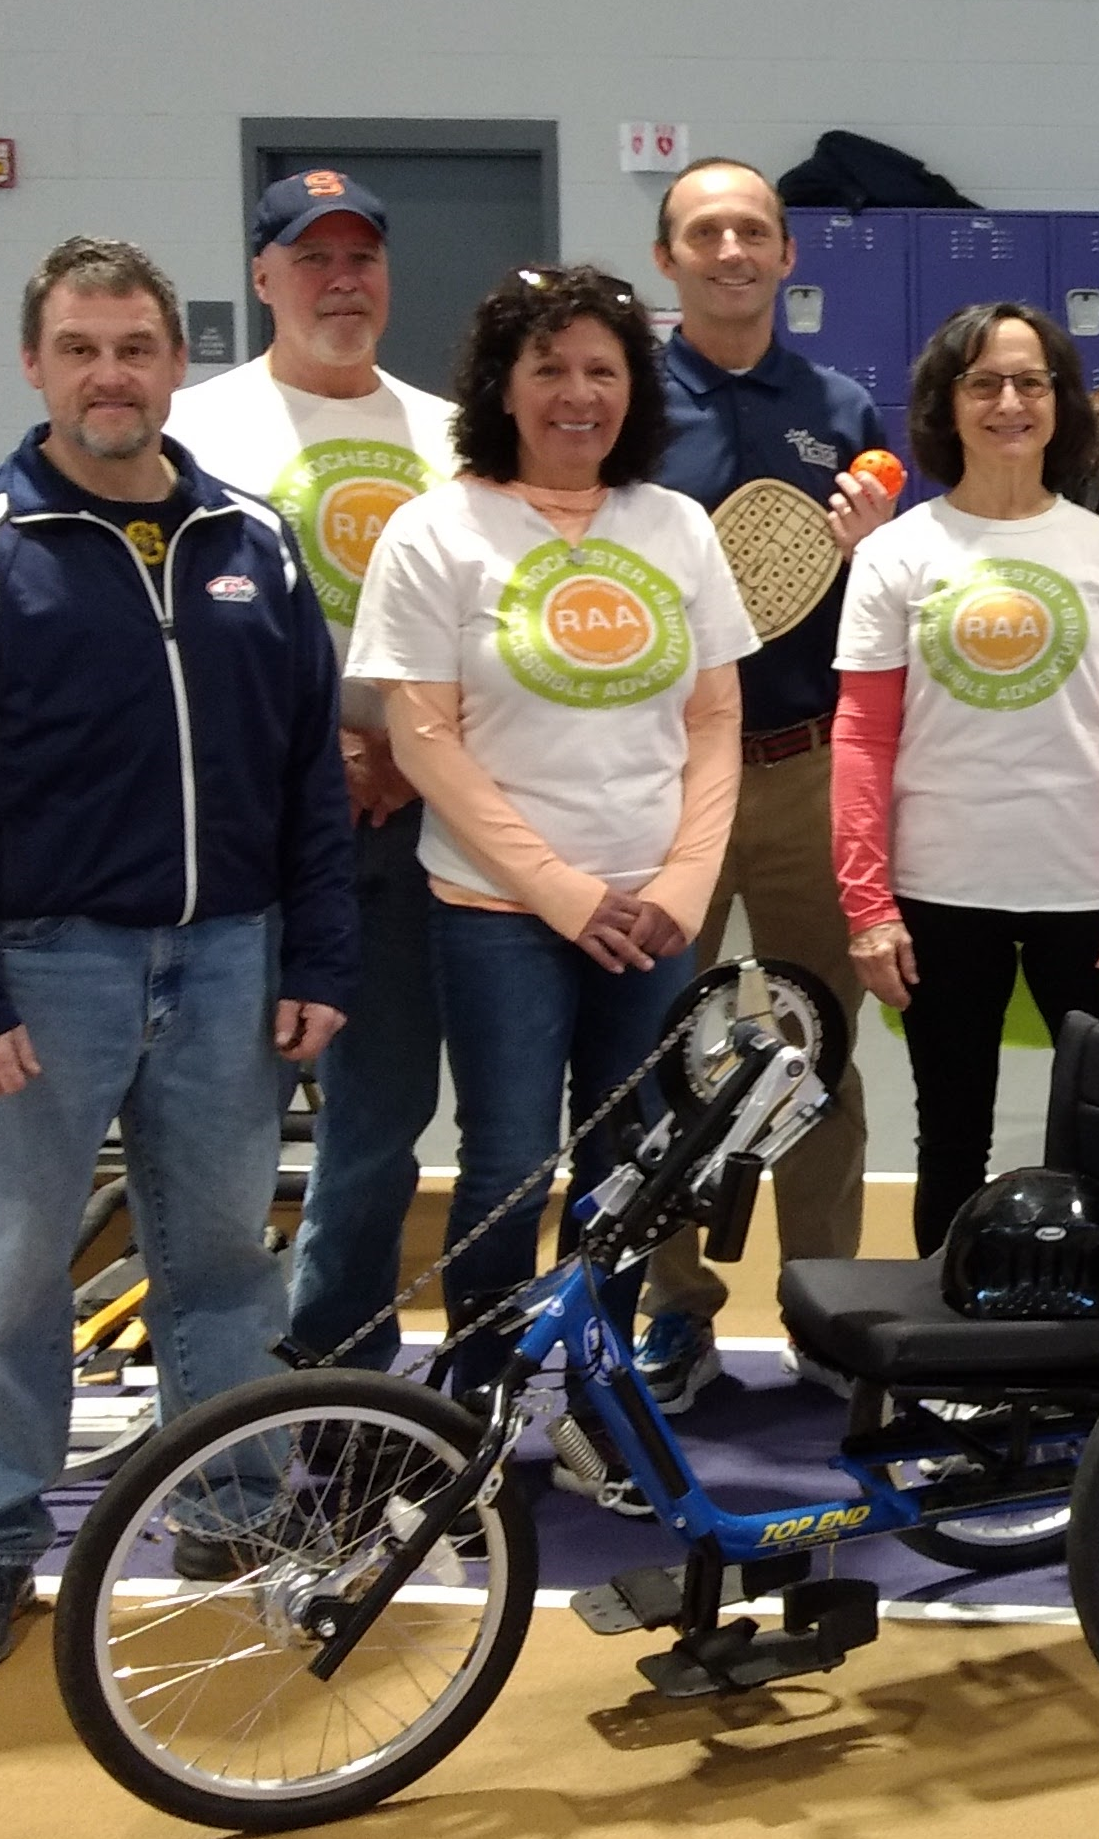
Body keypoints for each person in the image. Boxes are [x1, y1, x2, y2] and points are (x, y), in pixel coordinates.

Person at [0, 235, 353, 1672]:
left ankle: (232, 1507)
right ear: (35, 364)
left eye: (134, 347)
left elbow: (304, 782)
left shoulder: (251, 543)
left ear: (176, 362)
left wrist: (317, 954)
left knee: (219, 1264)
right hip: (41, 973)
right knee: (12, 1267)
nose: (109, 375)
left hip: (228, 963)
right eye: (80, 348)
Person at [352, 264, 750, 1403]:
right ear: (502, 385)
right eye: (549, 369)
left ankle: (601, 1402)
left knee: (630, 1170)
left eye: (601, 370)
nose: (576, 394)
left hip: (654, 917)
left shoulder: (673, 525)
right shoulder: (437, 531)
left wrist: (680, 882)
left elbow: (713, 718)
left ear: (634, 389)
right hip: (497, 915)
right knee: (506, 1172)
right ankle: (472, 1412)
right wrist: (565, 892)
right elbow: (423, 740)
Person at [171, 171, 465, 1374]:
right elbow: (176, 638)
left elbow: (486, 628)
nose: (341, 280)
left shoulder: (450, 435)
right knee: (215, 1118)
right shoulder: (196, 429)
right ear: (262, 277)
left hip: (409, 814)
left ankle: (332, 1354)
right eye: (312, 258)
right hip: (245, 820)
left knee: (381, 1115)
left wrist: (399, 747)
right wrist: (320, 744)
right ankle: (209, 1363)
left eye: (362, 258)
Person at [834, 302, 1099, 1246]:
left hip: (1089, 894)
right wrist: (868, 905)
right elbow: (861, 737)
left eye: (1031, 382)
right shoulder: (897, 552)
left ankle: (1092, 1362)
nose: (1009, 402)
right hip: (941, 888)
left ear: (1061, 403)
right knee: (951, 1140)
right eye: (984, 383)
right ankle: (946, 1368)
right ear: (949, 404)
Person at [632, 157, 890, 1406]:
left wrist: (869, 554)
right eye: (704, 232)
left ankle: (827, 1305)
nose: (730, 249)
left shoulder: (841, 407)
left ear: (789, 255)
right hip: (656, 781)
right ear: (666, 257)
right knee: (662, 1052)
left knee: (817, 1051)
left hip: (799, 767)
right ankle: (672, 1305)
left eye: (753, 230)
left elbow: (882, 605)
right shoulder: (621, 403)